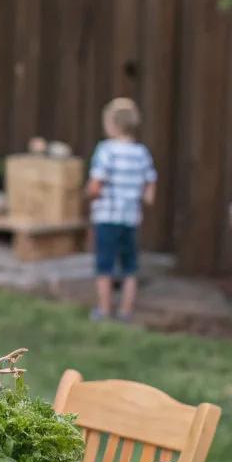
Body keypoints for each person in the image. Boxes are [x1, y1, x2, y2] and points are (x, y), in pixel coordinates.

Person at [86, 97, 157, 322]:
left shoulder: (106, 150)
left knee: (104, 264)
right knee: (130, 266)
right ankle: (126, 311)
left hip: (107, 217)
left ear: (113, 125)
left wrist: (89, 193)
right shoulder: (141, 153)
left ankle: (104, 310)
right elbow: (150, 185)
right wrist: (145, 197)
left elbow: (97, 185)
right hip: (130, 218)